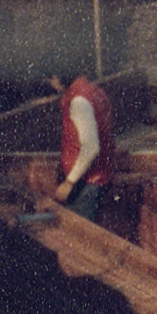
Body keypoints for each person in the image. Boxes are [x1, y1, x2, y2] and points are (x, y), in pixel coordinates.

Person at [51, 74, 115, 222]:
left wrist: (69, 182)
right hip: (97, 176)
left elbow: (91, 147)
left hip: (87, 182)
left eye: (52, 79)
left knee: (81, 236)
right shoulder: (93, 91)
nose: (53, 85)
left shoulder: (79, 101)